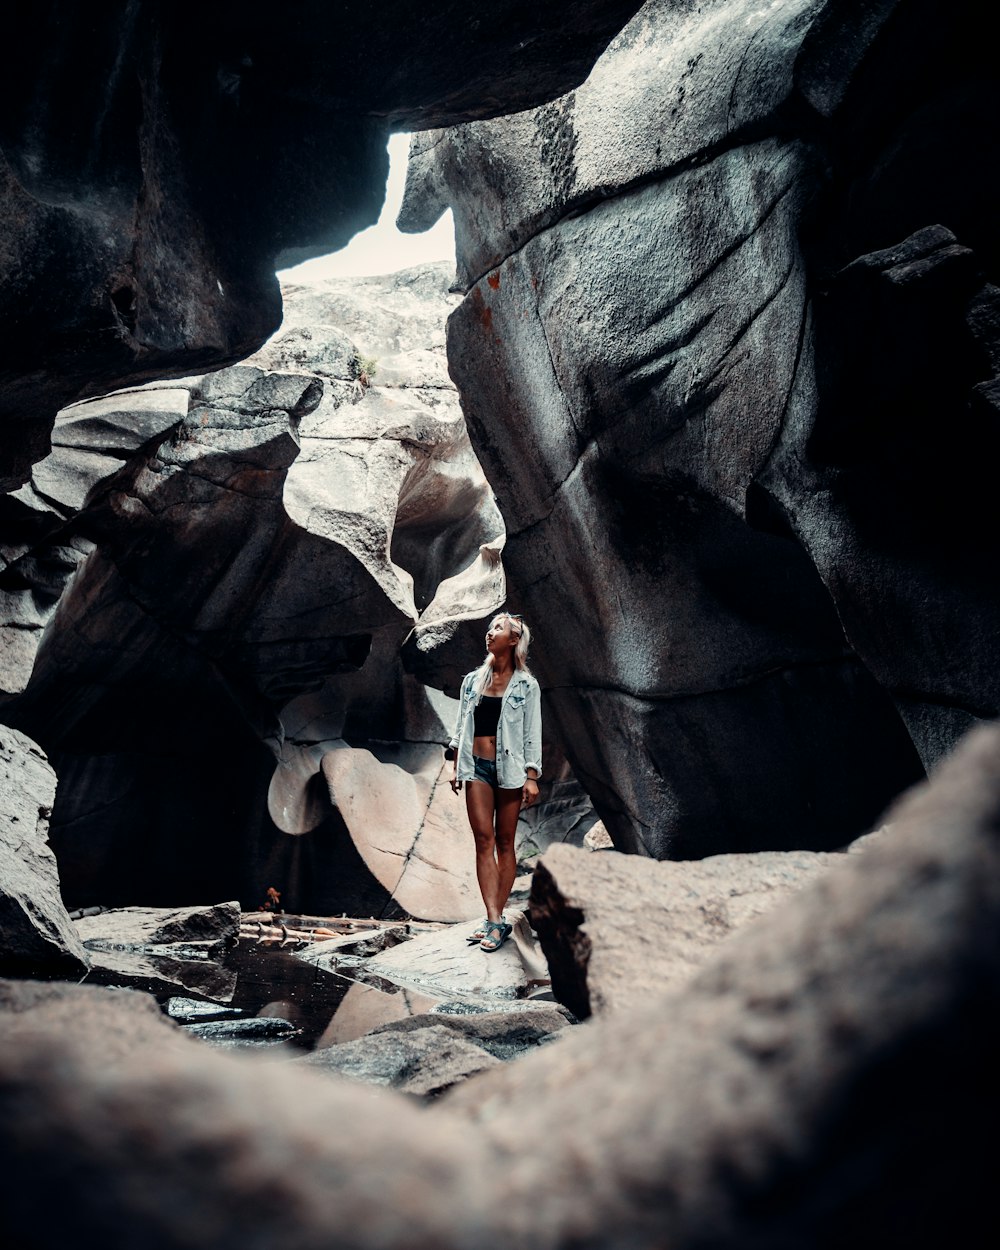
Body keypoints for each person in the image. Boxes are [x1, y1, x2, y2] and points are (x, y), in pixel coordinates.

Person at [447, 612, 542, 952]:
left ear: (514, 639)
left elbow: (533, 734)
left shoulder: (527, 686)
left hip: (512, 770)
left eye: (498, 629)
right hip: (477, 768)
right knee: (483, 841)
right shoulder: (472, 680)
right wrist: (455, 764)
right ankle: (494, 919)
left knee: (505, 842)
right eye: (490, 628)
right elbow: (460, 728)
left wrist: (532, 776)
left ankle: (495, 919)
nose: (490, 633)